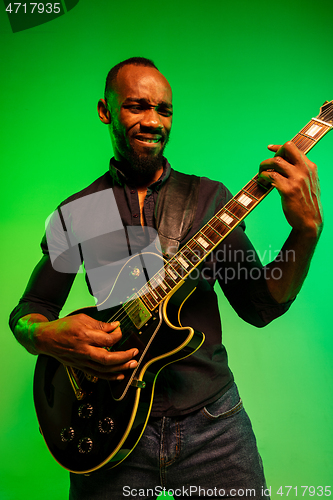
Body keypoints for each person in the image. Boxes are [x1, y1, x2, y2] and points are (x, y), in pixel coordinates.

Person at [9, 57, 323, 500]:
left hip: (214, 424)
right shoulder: (76, 214)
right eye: (137, 106)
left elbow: (261, 307)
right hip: (110, 425)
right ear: (106, 110)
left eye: (164, 110)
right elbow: (29, 312)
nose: (153, 121)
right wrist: (45, 336)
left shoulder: (209, 199)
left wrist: (305, 234)